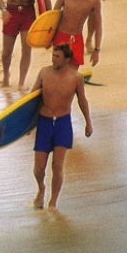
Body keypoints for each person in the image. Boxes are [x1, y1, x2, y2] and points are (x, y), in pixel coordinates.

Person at [30, 43, 93, 211]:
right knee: (38, 168)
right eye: (53, 55)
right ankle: (41, 188)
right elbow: (31, 99)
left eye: (57, 57)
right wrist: (27, 124)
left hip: (63, 123)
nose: (53, 59)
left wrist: (88, 122)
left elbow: (82, 100)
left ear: (67, 60)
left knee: (57, 166)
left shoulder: (76, 78)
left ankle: (52, 203)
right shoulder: (44, 73)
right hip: (44, 122)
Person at [51, 0, 102, 69]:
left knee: (73, 74)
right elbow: (53, 16)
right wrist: (48, 38)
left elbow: (98, 26)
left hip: (76, 39)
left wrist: (96, 50)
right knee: (59, 70)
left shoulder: (93, 1)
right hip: (61, 36)